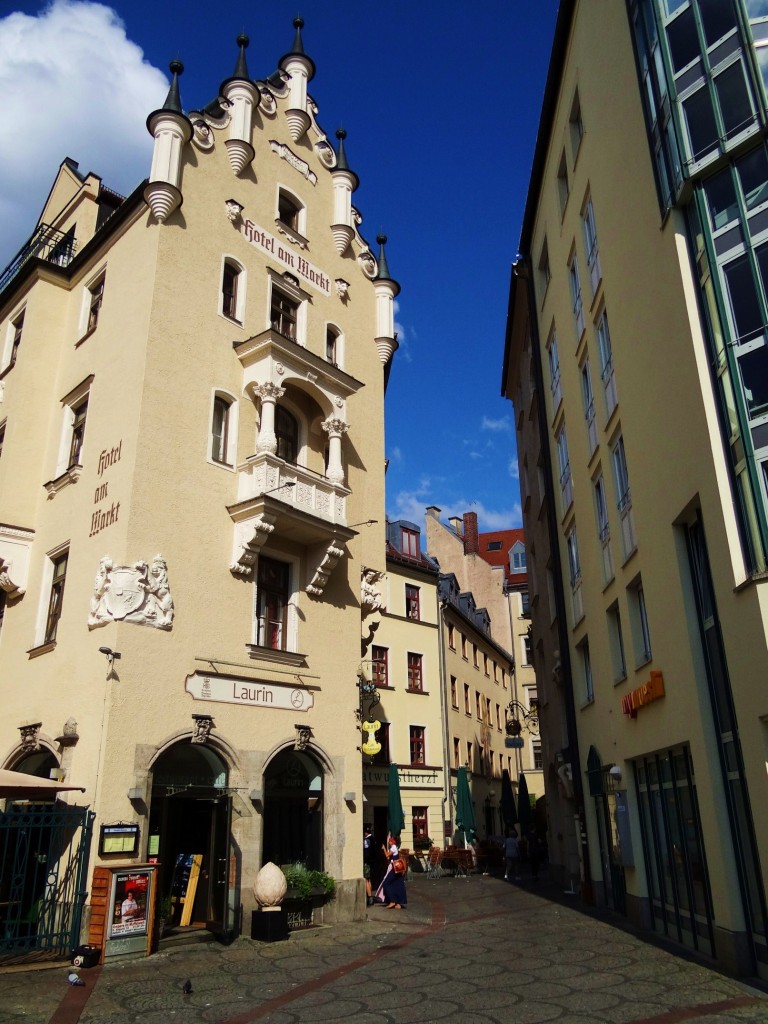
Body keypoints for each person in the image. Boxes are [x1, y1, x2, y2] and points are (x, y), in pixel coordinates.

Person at [376, 834, 407, 909]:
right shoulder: (394, 847)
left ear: (393, 841)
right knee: (397, 884)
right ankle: (398, 902)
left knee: (386, 883)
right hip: (395, 868)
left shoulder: (393, 848)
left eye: (390, 840)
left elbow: (387, 856)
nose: (389, 841)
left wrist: (384, 848)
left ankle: (392, 901)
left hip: (394, 868)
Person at [363, 824, 374, 906]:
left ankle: (370, 897)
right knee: (369, 879)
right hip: (371, 861)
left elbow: (366, 852)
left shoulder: (367, 840)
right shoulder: (372, 838)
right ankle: (370, 896)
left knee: (366, 879)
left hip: (366, 861)